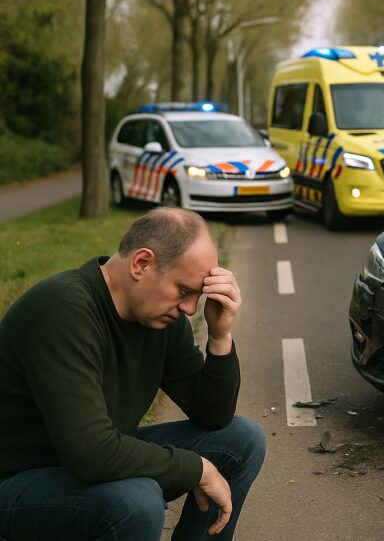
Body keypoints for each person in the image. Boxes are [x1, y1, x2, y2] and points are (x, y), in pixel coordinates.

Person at [0, 207, 265, 540]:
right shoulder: (61, 310)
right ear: (142, 263)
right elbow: (91, 454)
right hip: (17, 482)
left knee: (242, 440)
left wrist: (219, 336)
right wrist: (196, 469)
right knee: (136, 501)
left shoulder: (161, 320)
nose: (190, 309)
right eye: (184, 291)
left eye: (198, 296)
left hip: (86, 459)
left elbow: (213, 415)